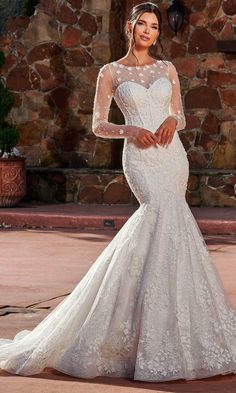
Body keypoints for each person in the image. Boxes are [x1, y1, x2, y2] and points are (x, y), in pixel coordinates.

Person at [0, 1, 235, 383]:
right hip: (140, 159)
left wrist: (173, 120)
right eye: (142, 24)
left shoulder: (167, 68)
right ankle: (126, 330)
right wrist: (131, 130)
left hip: (172, 157)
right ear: (129, 27)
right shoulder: (111, 72)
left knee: (173, 225)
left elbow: (182, 114)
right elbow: (97, 125)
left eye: (155, 26)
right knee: (155, 217)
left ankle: (176, 327)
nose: (149, 31)